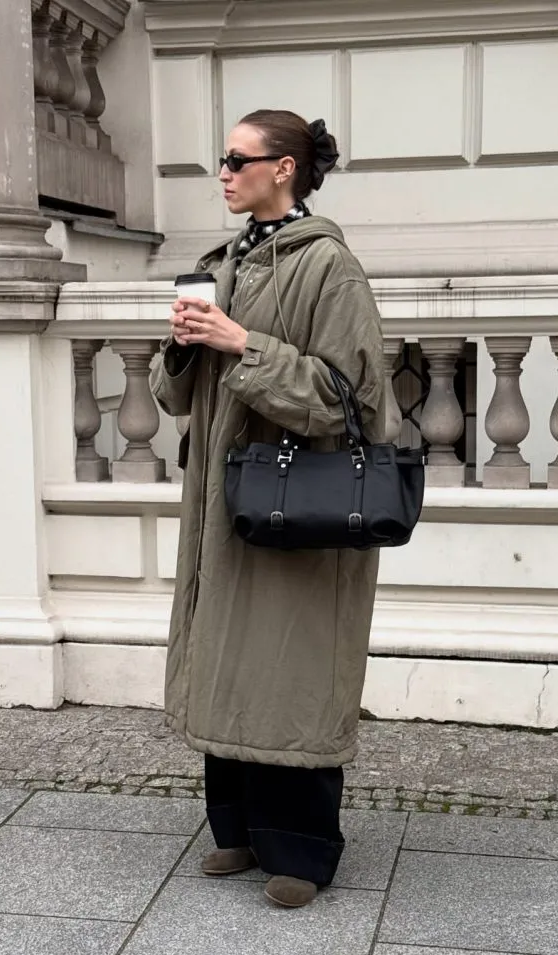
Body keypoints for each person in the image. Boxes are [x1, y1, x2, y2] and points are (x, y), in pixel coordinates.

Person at [150, 109, 401, 908]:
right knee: (225, 655)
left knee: (289, 666)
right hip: (222, 502)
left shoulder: (329, 267)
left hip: (296, 504)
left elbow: (351, 397)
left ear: (283, 168)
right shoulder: (218, 262)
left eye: (237, 159)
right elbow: (173, 397)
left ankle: (300, 848)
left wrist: (242, 344)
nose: (222, 174)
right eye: (220, 160)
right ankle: (238, 829)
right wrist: (183, 345)